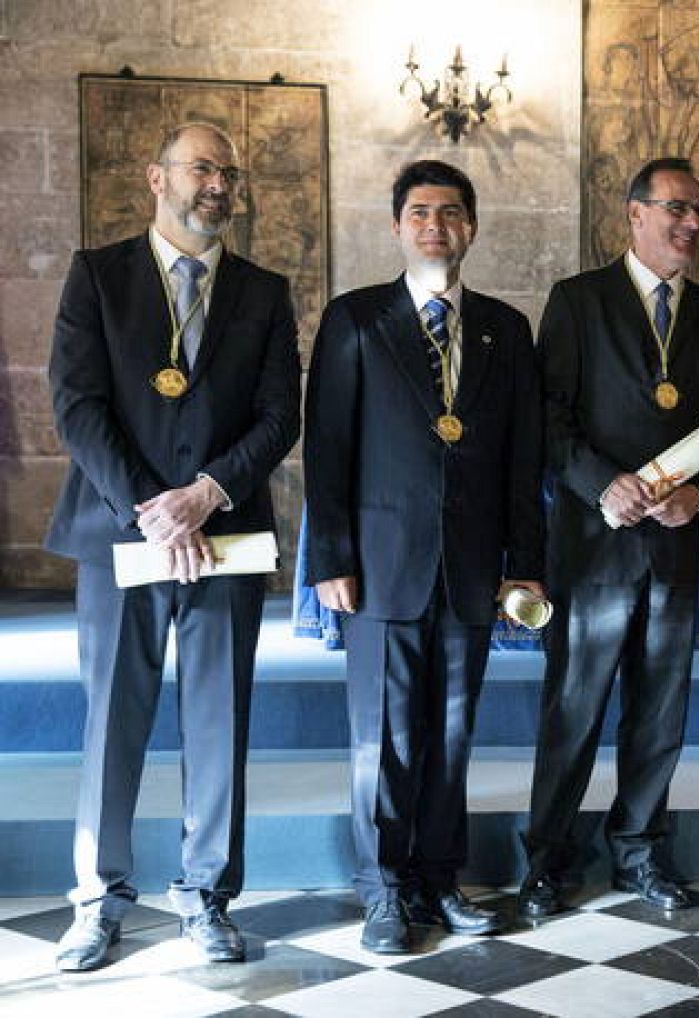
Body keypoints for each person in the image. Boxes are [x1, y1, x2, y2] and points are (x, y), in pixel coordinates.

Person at [45, 122, 301, 971]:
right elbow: (77, 404)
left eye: (229, 173)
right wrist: (153, 509)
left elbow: (280, 416)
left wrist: (206, 494)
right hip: (121, 536)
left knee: (219, 723)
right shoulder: (99, 275)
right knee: (112, 725)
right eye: (201, 169)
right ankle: (98, 901)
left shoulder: (263, 291)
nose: (218, 185)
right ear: (158, 179)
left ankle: (208, 898)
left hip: (226, 537)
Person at [303, 160, 545, 953]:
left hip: (471, 568)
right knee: (384, 736)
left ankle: (440, 879)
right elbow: (327, 447)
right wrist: (330, 556)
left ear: (471, 226)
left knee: (451, 732)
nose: (434, 225)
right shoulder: (356, 319)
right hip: (380, 565)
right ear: (398, 226)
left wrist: (524, 563)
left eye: (449, 212)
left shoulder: (505, 329)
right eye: (418, 212)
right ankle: (383, 890)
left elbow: (523, 456)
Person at [520, 157, 699, 918]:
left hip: (674, 543)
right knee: (574, 709)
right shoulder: (579, 300)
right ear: (636, 213)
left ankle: (641, 851)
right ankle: (547, 860)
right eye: (677, 208)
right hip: (593, 544)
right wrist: (600, 483)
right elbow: (547, 417)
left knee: (660, 712)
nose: (691, 223)